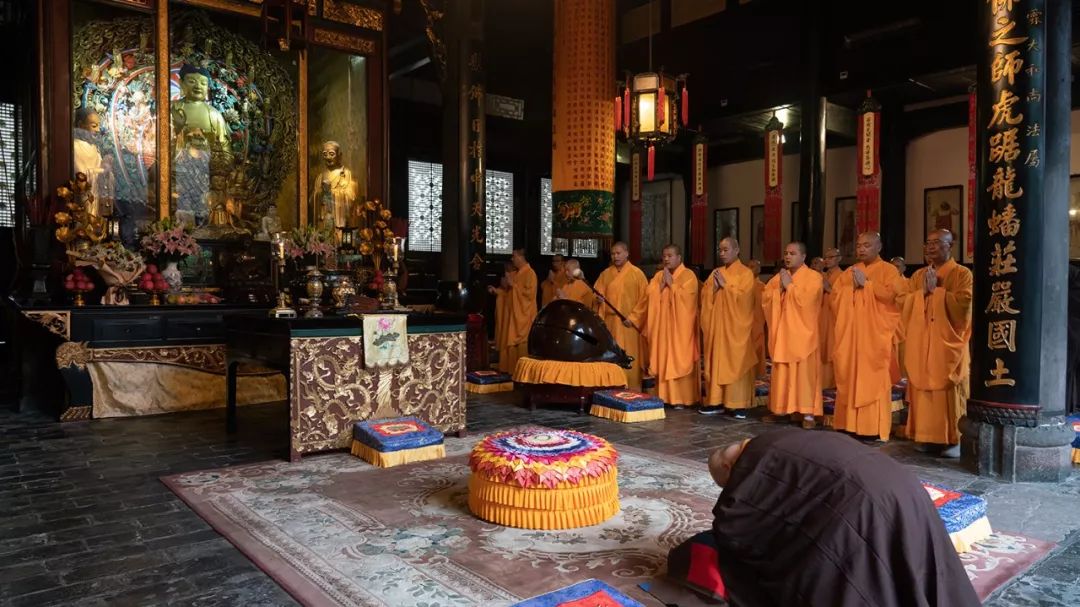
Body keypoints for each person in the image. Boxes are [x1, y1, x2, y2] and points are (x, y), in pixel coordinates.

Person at [669, 429, 981, 607]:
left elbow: (736, 531)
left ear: (729, 469)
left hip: (860, 506)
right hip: (905, 487)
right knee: (919, 564)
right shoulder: (781, 438)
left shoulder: (751, 468)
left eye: (727, 485)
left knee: (850, 570)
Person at [902, 230, 972, 458]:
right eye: (928, 243)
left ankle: (954, 439)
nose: (931, 247)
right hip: (922, 342)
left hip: (947, 343)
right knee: (922, 389)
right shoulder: (918, 276)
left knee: (949, 389)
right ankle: (925, 436)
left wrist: (938, 293)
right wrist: (921, 293)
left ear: (950, 246)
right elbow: (903, 303)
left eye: (937, 243)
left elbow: (965, 306)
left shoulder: (962, 274)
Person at [831, 232, 906, 442]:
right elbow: (835, 300)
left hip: (874, 336)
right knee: (849, 374)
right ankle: (847, 423)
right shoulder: (849, 272)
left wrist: (867, 285)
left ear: (878, 247)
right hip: (851, 337)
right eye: (859, 245)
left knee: (872, 378)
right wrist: (852, 291)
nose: (861, 249)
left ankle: (871, 427)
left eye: (867, 245)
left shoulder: (889, 270)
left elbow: (893, 298)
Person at [629, 244, 700, 408]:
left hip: (681, 329)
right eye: (664, 256)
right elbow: (648, 295)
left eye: (670, 256)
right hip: (662, 328)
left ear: (679, 258)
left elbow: (689, 300)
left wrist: (672, 285)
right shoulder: (658, 276)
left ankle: (682, 398)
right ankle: (664, 397)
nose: (666, 259)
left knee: (680, 358)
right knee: (663, 358)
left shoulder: (688, 275)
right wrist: (661, 286)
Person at [762, 242, 823, 428]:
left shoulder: (814, 277)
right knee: (783, 373)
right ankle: (781, 410)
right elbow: (766, 297)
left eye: (793, 253)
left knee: (804, 375)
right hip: (783, 335)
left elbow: (808, 302)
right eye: (786, 253)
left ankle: (807, 414)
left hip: (803, 335)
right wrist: (779, 290)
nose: (788, 256)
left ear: (803, 257)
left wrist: (789, 287)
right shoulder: (779, 277)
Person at [700, 238, 758, 417]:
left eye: (726, 250)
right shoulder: (716, 272)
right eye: (720, 250)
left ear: (737, 250)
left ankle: (738, 404)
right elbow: (705, 296)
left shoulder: (745, 274)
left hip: (736, 329)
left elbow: (746, 300)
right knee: (716, 362)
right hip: (718, 328)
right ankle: (715, 401)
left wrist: (726, 286)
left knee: (737, 361)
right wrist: (714, 290)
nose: (722, 253)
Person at [593, 242, 649, 390]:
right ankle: (611, 389)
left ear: (626, 253)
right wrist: (598, 300)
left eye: (618, 253)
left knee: (629, 356)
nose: (615, 256)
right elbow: (597, 294)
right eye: (613, 254)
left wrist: (634, 318)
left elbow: (645, 300)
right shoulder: (605, 274)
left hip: (629, 325)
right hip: (610, 324)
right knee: (611, 356)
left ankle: (632, 389)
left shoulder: (637, 274)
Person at [487, 249, 537, 373]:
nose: (512, 259)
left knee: (520, 344)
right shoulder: (518, 273)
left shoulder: (530, 273)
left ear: (521, 257)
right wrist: (498, 291)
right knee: (508, 339)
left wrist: (513, 285)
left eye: (514, 256)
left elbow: (529, 295)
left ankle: (521, 371)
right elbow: (508, 293)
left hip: (522, 317)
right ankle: (509, 369)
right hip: (512, 315)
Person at [312, 141, 360, 239]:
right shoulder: (320, 177)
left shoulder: (347, 174)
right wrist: (320, 194)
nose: (328, 157)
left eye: (331, 154)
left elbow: (352, 198)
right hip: (323, 221)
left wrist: (332, 194)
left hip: (340, 222)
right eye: (325, 154)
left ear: (339, 155)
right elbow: (313, 199)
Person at [820, 247, 843, 389]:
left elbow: (845, 298)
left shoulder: (843, 276)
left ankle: (833, 382)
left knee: (832, 347)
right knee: (821, 346)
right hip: (821, 316)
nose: (827, 260)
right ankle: (821, 381)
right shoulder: (822, 275)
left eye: (831, 257)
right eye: (826, 257)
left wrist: (829, 289)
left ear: (839, 258)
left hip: (834, 318)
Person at [747, 259, 767, 377]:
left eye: (754, 266)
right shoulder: (742, 284)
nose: (752, 269)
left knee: (757, 343)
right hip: (744, 320)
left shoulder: (762, 286)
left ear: (759, 269)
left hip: (758, 320)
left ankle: (758, 371)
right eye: (750, 266)